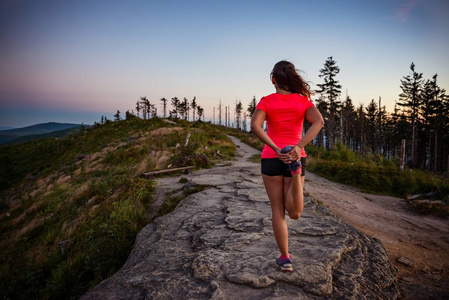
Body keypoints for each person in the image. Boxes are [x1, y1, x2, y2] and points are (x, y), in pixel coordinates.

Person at [250, 60, 324, 272]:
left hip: (272, 157)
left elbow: (255, 125)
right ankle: (296, 171)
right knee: (295, 213)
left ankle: (285, 258)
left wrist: (274, 147)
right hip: (295, 155)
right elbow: (319, 122)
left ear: (274, 80)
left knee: (277, 209)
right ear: (292, 80)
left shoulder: (266, 101)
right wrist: (299, 147)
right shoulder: (302, 101)